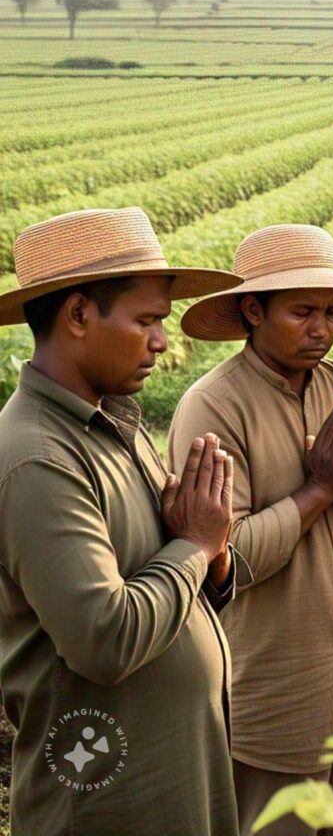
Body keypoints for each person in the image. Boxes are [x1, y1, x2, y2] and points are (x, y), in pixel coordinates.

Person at [0, 206, 244, 836]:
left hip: (170, 776)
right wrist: (196, 544)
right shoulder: (38, 458)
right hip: (109, 800)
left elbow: (169, 575)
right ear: (79, 315)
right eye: (147, 321)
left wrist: (211, 559)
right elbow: (103, 640)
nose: (163, 341)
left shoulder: (112, 422)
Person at [168, 224, 333, 836]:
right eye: (303, 311)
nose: (323, 329)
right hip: (271, 696)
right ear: (253, 310)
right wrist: (319, 491)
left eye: (332, 312)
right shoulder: (215, 405)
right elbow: (225, 559)